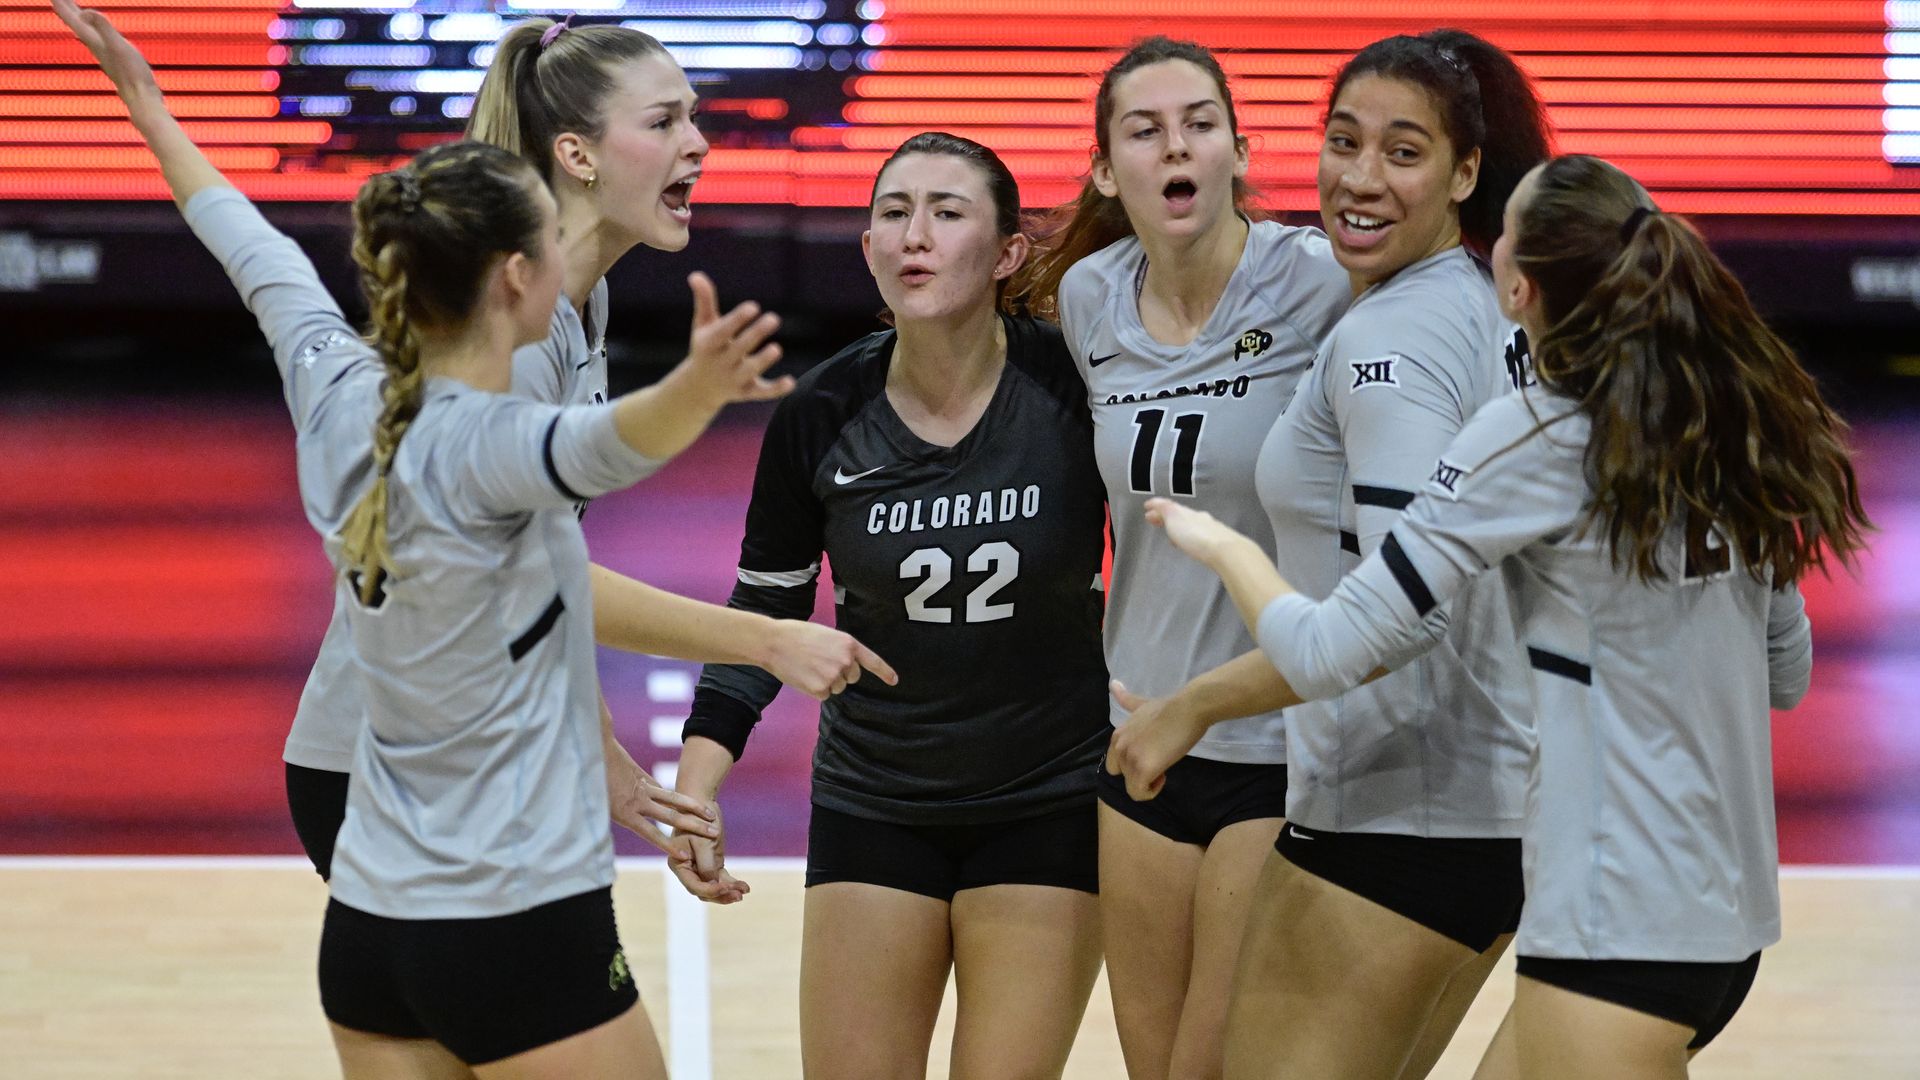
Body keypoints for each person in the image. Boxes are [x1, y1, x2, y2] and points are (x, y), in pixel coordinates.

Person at [55, 1, 881, 1072]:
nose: (699, 143)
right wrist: (763, 628)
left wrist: (154, 116)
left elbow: (259, 256)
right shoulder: (509, 385)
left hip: (384, 833)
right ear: (571, 162)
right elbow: (577, 511)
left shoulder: (400, 364)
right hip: (455, 811)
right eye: (669, 118)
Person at [1142, 152, 1867, 1079]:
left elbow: (1331, 650)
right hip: (1723, 932)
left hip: (1611, 923)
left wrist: (1224, 548)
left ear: (1517, 288)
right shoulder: (1723, 427)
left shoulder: (1536, 432)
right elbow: (1786, 675)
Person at [1105, 29, 1551, 1079]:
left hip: (1398, 819)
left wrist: (1193, 703)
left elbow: (1400, 610)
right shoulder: (1489, 309)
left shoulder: (1389, 344)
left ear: (1465, 173)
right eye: (1343, 140)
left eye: (1403, 152)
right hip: (1487, 809)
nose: (1358, 177)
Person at [674, 132, 1110, 1079]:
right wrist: (697, 785)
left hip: (1049, 799)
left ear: (1006, 255)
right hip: (878, 800)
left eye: (948, 213)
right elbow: (766, 612)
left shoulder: (1074, 388)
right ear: (868, 246)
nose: (915, 234)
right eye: (893, 212)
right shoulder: (823, 411)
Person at [1005, 38, 1352, 1080]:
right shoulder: (1090, 298)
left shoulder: (1321, 284)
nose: (1177, 146)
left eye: (1200, 123)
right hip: (1140, 733)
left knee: (1219, 1063)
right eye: (1146, 130)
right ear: (1109, 171)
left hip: (1279, 742)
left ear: (1240, 150)